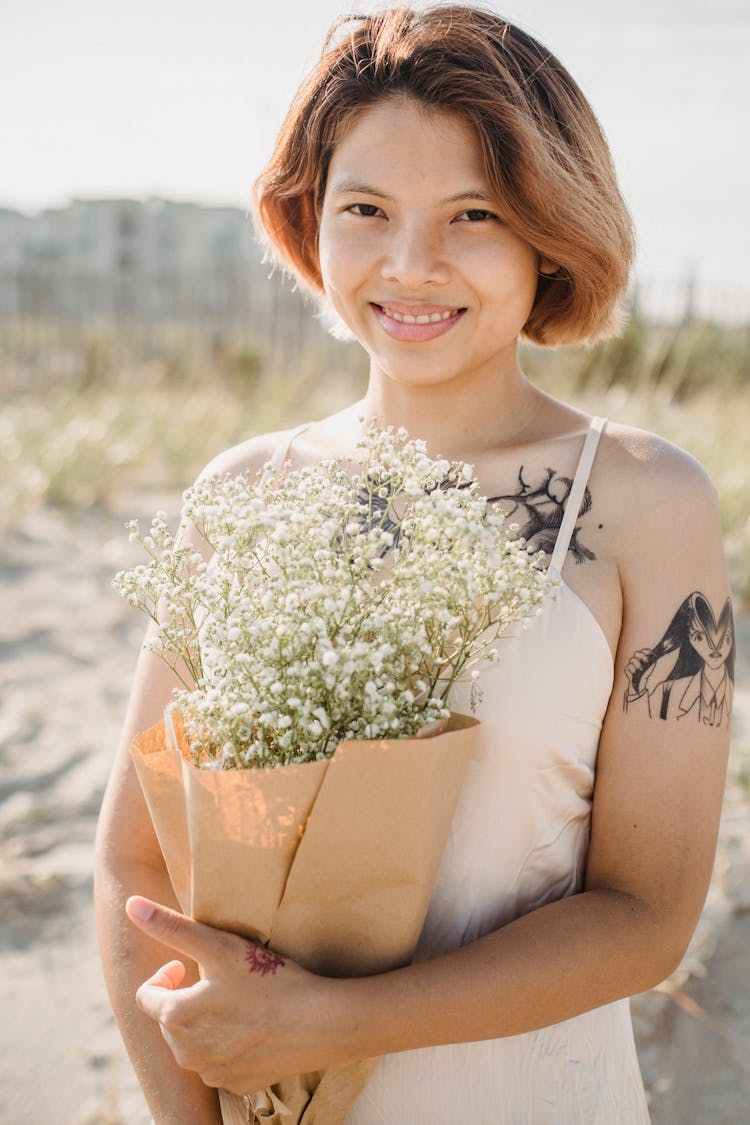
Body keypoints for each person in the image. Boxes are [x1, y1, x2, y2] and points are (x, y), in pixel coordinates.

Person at [94, 6, 733, 1122]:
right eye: (367, 210)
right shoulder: (243, 495)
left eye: (472, 215)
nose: (410, 265)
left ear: (550, 231)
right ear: (311, 221)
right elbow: (135, 866)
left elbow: (647, 915)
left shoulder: (643, 499)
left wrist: (337, 1024)